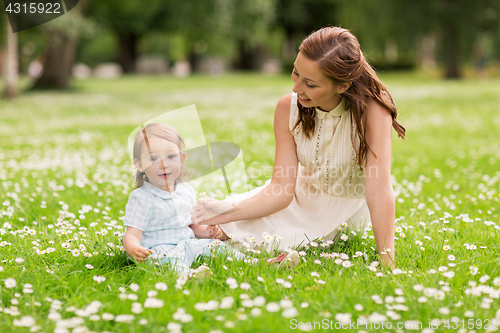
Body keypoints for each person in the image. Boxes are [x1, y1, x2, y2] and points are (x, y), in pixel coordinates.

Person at [192, 27, 406, 268]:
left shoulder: (374, 112)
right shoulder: (288, 107)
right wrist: (227, 211)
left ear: (342, 86)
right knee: (202, 222)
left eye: (311, 84)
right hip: (295, 197)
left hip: (338, 213)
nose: (296, 88)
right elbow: (281, 190)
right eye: (296, 73)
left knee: (266, 239)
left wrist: (388, 263)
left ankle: (256, 259)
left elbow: (378, 192)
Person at [123, 123, 298, 276]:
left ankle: (257, 264)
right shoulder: (142, 198)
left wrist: (207, 232)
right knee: (170, 261)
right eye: (153, 158)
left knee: (216, 246)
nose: (164, 164)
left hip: (187, 244)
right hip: (159, 250)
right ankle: (187, 276)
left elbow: (192, 225)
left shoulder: (185, 191)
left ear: (181, 159)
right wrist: (133, 249)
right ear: (139, 165)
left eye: (171, 156)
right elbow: (132, 233)